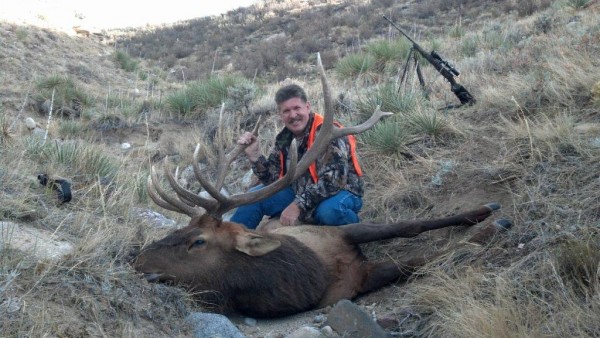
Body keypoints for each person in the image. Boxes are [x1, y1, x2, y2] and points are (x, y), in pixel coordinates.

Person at [230, 84, 364, 229]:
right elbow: (274, 181)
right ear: (280, 115)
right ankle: (230, 245)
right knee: (252, 198)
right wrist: (255, 157)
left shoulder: (329, 132)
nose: (293, 115)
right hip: (299, 192)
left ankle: (360, 231)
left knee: (329, 212)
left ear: (307, 106)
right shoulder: (284, 139)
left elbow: (335, 181)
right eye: (286, 111)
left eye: (297, 108)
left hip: (340, 192)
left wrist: (297, 205)